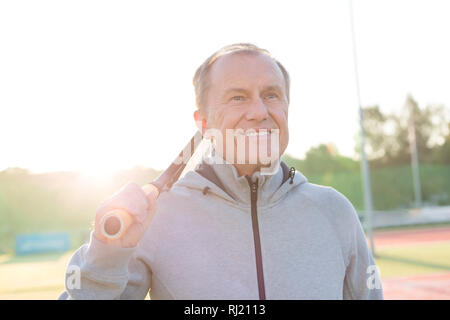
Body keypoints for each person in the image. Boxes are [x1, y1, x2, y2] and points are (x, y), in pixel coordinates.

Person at [59, 43, 383, 300]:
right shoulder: (156, 217)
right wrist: (106, 256)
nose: (259, 112)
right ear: (203, 124)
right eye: (237, 97)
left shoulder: (334, 210)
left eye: (271, 95)